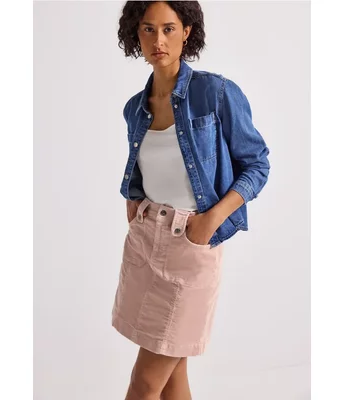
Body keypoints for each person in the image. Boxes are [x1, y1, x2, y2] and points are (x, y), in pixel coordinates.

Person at [111, 1, 271, 399]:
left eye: (168, 28)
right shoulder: (135, 108)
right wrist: (134, 202)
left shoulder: (215, 93)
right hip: (144, 244)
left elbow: (257, 164)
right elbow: (142, 169)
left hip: (190, 245)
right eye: (148, 29)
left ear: (186, 32)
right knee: (173, 375)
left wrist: (211, 220)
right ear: (136, 34)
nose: (158, 40)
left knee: (145, 383)